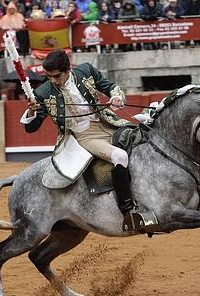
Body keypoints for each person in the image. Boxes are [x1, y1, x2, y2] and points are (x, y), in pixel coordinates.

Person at [20, 50, 151, 232]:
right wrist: (32, 112)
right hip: (84, 136)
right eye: (49, 76)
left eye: (56, 76)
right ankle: (128, 211)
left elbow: (110, 86)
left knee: (146, 140)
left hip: (108, 123)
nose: (53, 80)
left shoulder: (85, 71)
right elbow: (31, 128)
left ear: (68, 70)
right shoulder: (43, 93)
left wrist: (117, 96)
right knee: (120, 156)